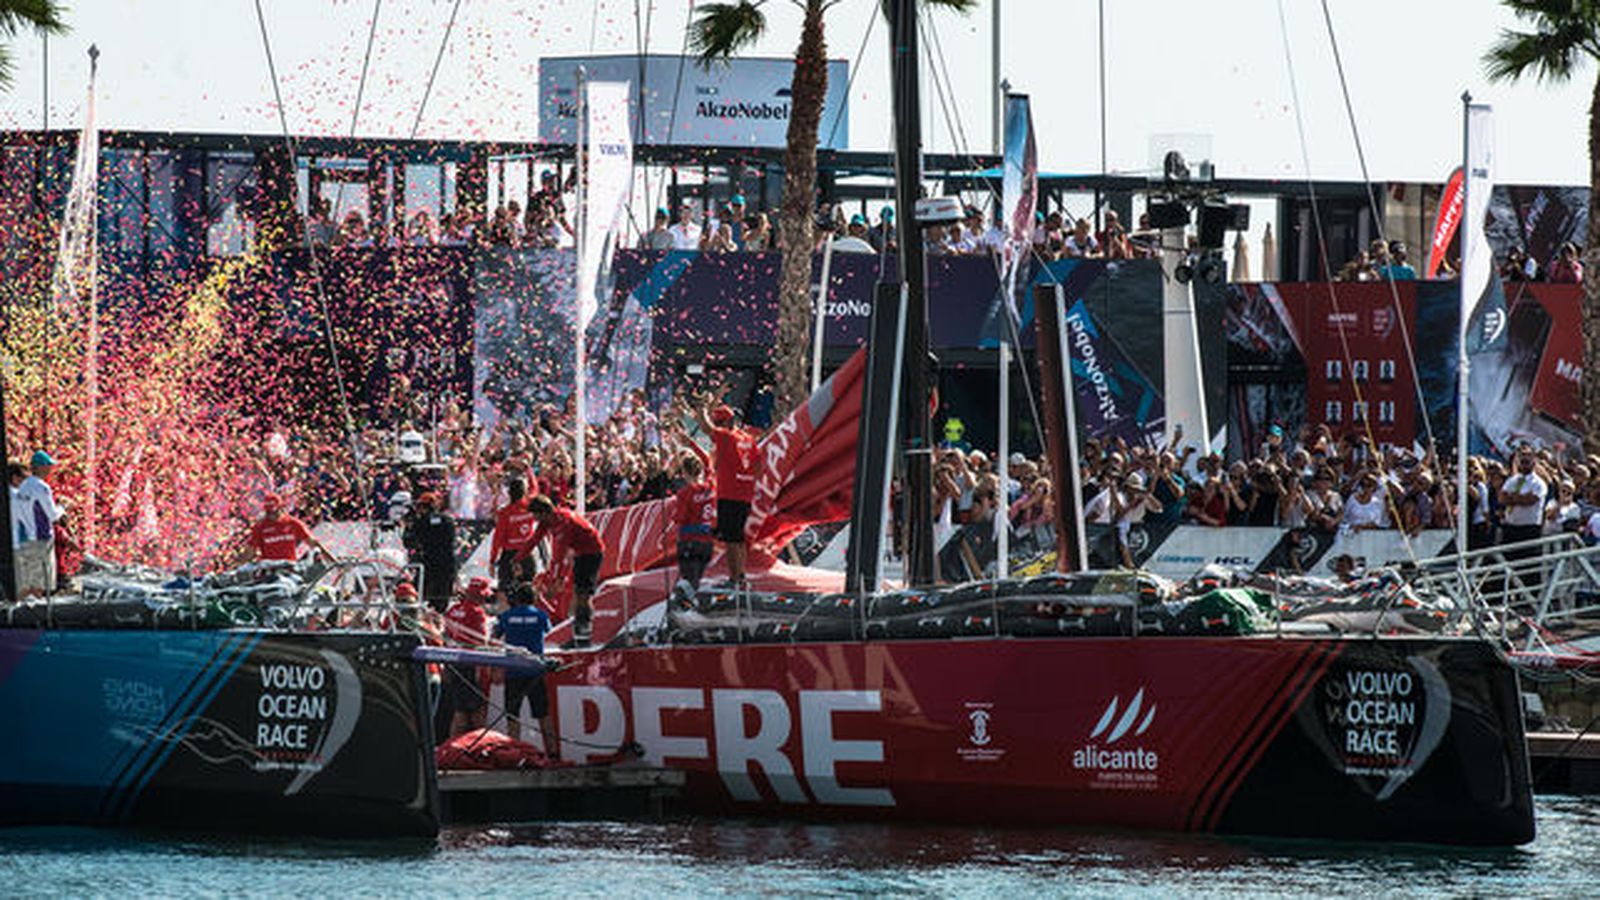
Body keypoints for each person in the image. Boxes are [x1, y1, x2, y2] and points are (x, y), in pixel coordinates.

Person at [524, 495, 605, 646]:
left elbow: (558, 556)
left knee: (583, 594)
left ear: (543, 513)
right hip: (581, 553)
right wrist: (516, 559)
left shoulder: (563, 522)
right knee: (578, 593)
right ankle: (578, 633)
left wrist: (556, 581)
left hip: (592, 553)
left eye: (535, 515)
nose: (534, 519)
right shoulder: (549, 520)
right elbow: (533, 540)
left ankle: (584, 635)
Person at [697, 403, 759, 586]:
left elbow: (705, 427)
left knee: (732, 541)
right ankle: (741, 577)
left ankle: (735, 580)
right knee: (739, 539)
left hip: (730, 495)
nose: (717, 425)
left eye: (719, 422)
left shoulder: (725, 437)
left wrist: (701, 407)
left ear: (728, 421)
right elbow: (758, 466)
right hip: (745, 495)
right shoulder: (748, 439)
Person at [494, 583, 555, 755]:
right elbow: (549, 632)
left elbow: (494, 638)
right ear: (534, 598)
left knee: (512, 715)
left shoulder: (506, 616)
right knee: (543, 714)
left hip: (513, 671)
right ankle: (553, 753)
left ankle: (515, 752)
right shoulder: (541, 615)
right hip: (535, 670)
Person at [443, 577, 493, 738]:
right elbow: (481, 643)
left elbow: (445, 637)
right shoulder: (478, 613)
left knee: (460, 710)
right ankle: (478, 750)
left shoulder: (452, 610)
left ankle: (452, 750)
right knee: (474, 713)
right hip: (470, 666)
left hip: (453, 663)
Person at [403, 492, 458, 613]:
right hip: (447, 565)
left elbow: (408, 542)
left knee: (418, 597)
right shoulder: (448, 520)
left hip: (428, 564)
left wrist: (408, 526)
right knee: (441, 601)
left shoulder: (419, 522)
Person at [673, 451, 717, 591]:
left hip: (689, 541)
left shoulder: (685, 493)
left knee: (689, 580)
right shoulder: (711, 487)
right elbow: (709, 463)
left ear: (685, 472)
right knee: (700, 578)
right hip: (707, 540)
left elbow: (680, 518)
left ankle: (690, 607)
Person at [246, 493, 332, 563]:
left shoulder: (293, 523)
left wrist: (332, 560)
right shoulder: (260, 527)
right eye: (268, 511)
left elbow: (313, 542)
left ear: (281, 507)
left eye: (273, 511)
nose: (271, 514)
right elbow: (249, 552)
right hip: (269, 571)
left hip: (289, 568)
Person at [490, 476, 537, 591]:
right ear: (525, 492)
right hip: (527, 554)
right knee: (529, 590)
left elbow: (498, 539)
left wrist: (492, 560)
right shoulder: (531, 506)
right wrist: (529, 471)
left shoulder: (505, 513)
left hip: (509, 556)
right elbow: (535, 489)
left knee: (505, 592)